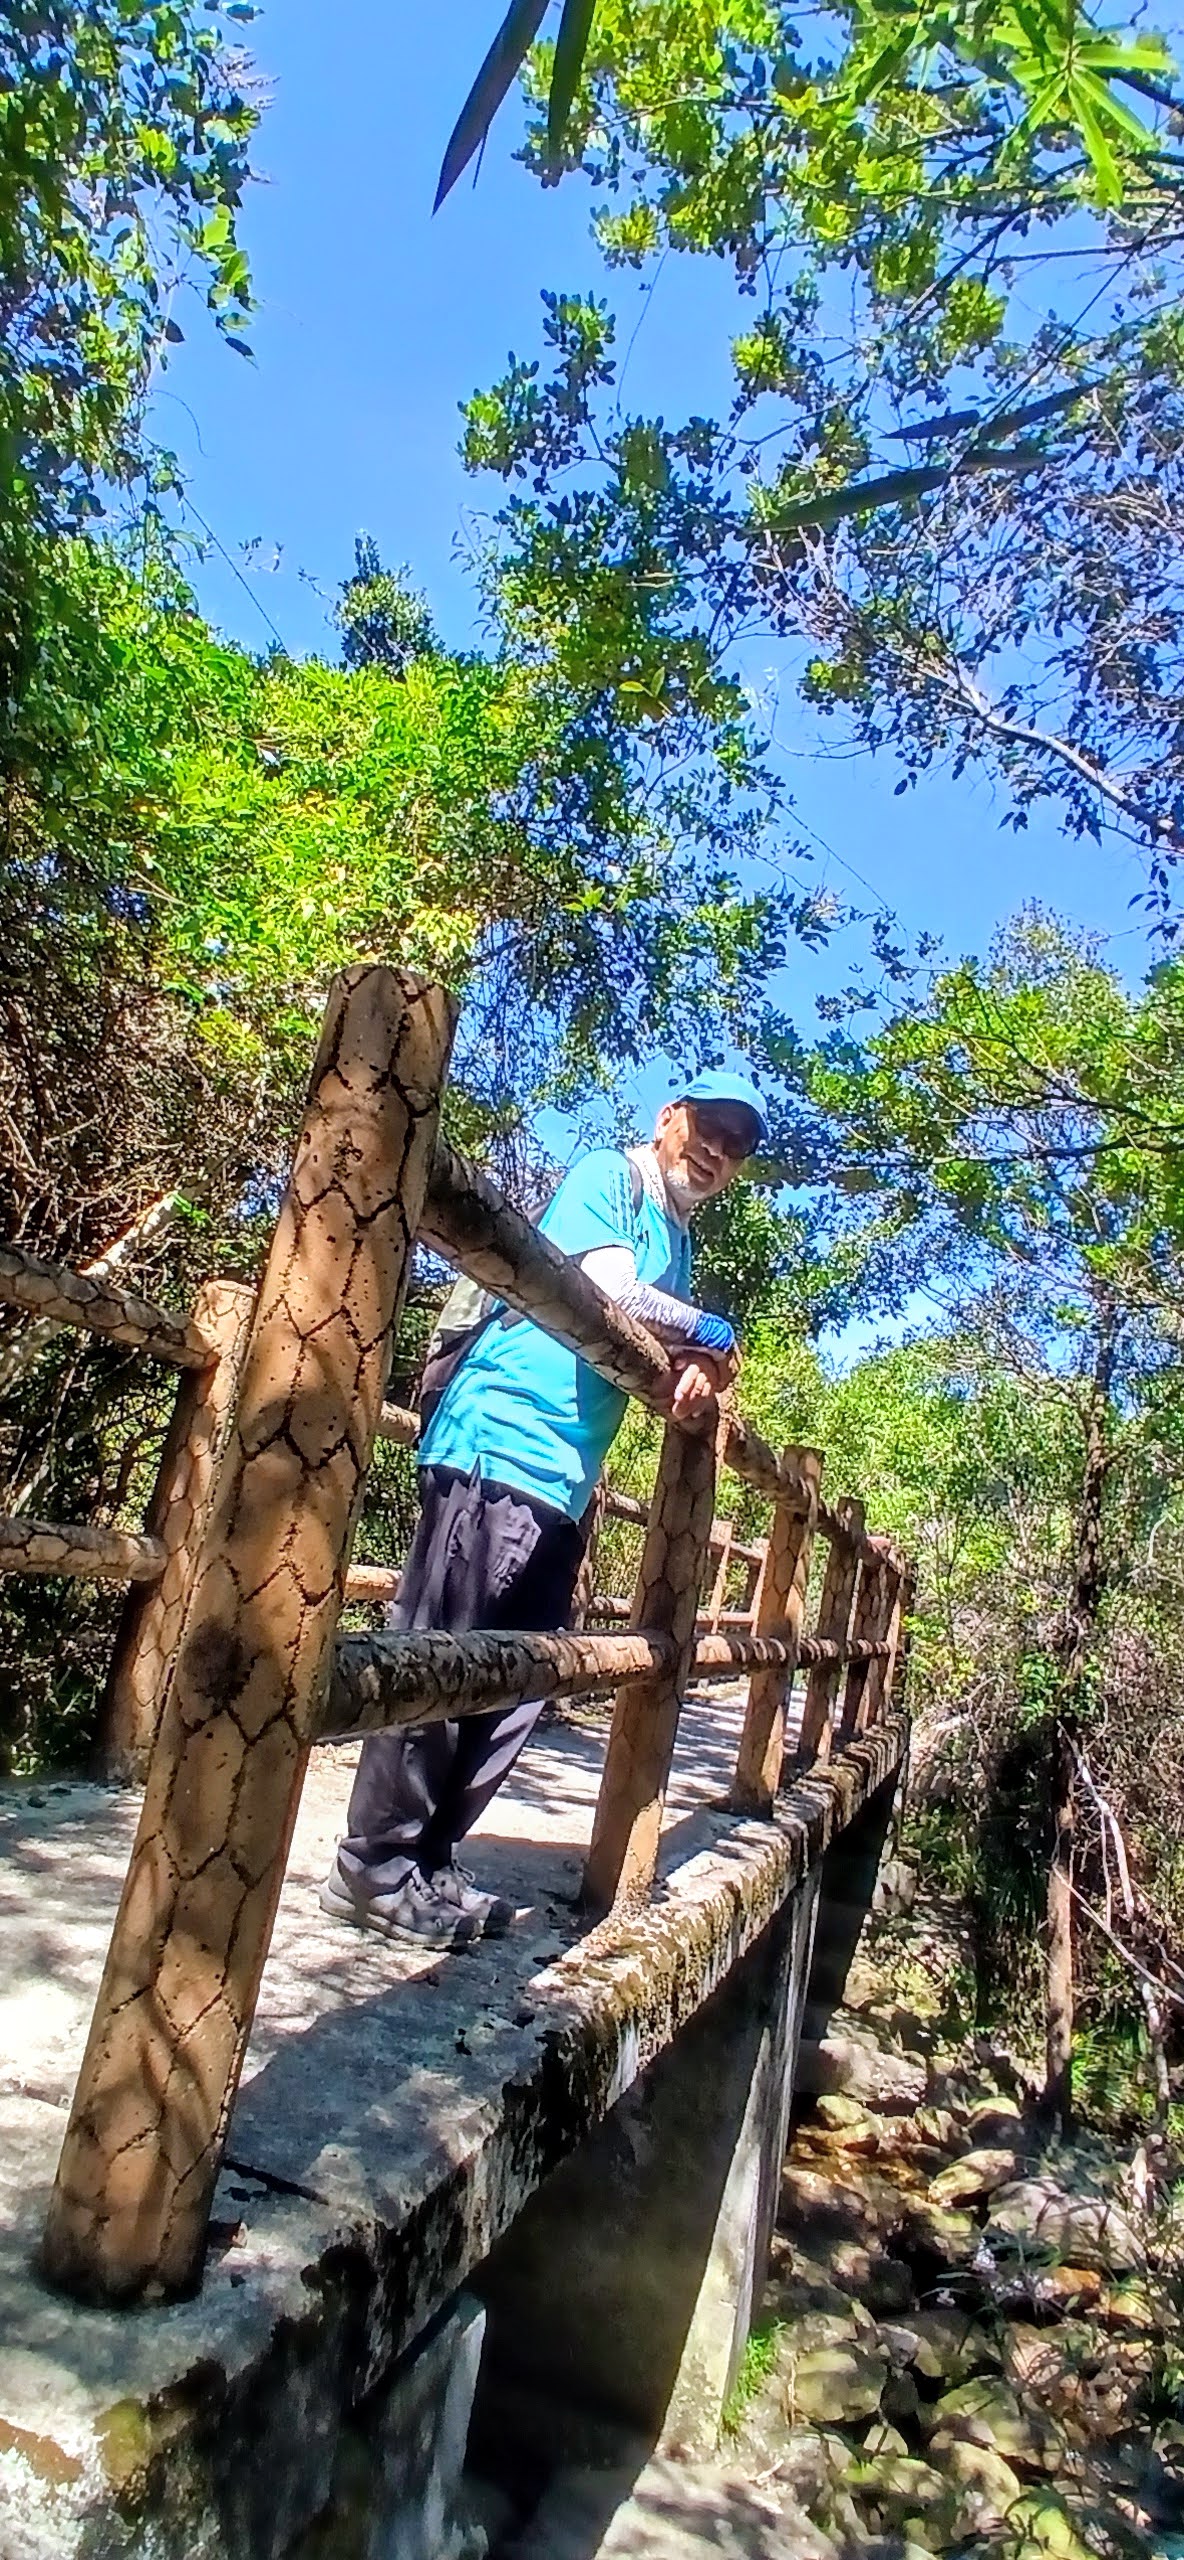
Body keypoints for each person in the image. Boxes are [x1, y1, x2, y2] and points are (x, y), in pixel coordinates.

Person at [320, 1068, 767, 1949]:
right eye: (709, 1127)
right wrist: (714, 1336)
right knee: (441, 1658)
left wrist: (698, 1362)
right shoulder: (611, 1177)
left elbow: (657, 1334)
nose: (717, 1151)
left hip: (563, 1477)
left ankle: (431, 1859)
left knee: (516, 1678)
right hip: (498, 1441)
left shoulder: (675, 1240)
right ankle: (372, 1867)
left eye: (737, 1145)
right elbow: (612, 1293)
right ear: (669, 1117)